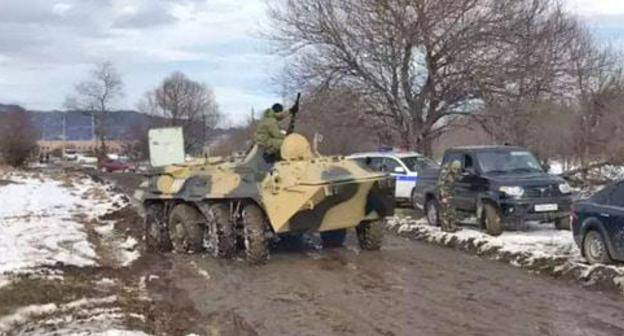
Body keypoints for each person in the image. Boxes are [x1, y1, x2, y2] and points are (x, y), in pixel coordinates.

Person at [437, 160, 462, 232]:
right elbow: (441, 185)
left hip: (450, 194)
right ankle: (445, 227)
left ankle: (452, 226)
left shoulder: (452, 172)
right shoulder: (445, 173)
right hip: (444, 194)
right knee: (445, 211)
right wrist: (443, 196)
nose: (456, 171)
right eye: (455, 169)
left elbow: (455, 177)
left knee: (452, 210)